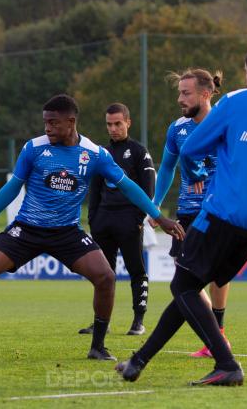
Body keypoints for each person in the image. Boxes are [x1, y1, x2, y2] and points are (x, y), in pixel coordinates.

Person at [0, 94, 184, 362]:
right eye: (45, 121)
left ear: (71, 123)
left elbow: (129, 187)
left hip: (67, 233)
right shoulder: (34, 148)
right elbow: (13, 187)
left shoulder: (94, 154)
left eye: (53, 122)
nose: (47, 127)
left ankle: (97, 347)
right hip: (27, 229)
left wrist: (159, 217)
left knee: (106, 277)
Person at [117, 41, 247, 386]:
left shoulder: (235, 101)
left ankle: (227, 364)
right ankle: (138, 362)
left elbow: (191, 149)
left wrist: (198, 173)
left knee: (183, 285)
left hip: (225, 212)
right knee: (190, 287)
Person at [149, 68, 232, 358]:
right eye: (179, 93)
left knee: (216, 274)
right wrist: (155, 204)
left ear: (206, 94)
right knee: (184, 278)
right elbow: (167, 168)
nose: (180, 99)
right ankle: (215, 338)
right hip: (185, 213)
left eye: (186, 93)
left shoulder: (225, 125)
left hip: (217, 210)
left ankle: (217, 335)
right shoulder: (177, 129)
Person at [80, 103, 155, 336]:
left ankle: (138, 321)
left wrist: (137, 216)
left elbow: (148, 189)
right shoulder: (101, 153)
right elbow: (95, 189)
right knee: (103, 274)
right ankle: (101, 322)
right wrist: (93, 218)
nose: (113, 129)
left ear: (128, 123)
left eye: (118, 124)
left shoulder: (139, 151)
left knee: (136, 270)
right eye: (109, 124)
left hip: (129, 221)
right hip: (103, 221)